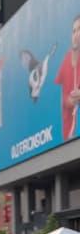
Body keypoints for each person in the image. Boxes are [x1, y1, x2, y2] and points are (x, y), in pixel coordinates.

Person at [54, 14, 80, 142]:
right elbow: (62, 97)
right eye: (73, 31)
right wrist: (70, 101)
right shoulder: (67, 58)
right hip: (68, 137)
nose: (76, 35)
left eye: (79, 29)